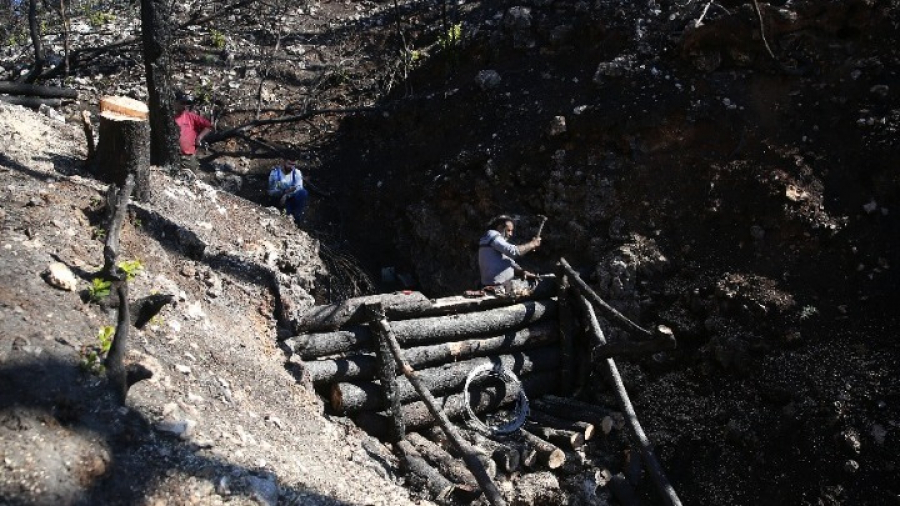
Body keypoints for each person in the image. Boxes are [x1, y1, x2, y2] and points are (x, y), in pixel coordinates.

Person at [478, 214, 541, 287]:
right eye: (508, 230)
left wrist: (521, 272)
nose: (511, 234)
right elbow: (513, 251)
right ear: (500, 227)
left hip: (501, 284)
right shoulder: (491, 234)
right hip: (499, 286)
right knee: (542, 284)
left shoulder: (496, 243)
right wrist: (532, 244)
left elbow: (507, 262)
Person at [174, 91, 213, 173]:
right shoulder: (168, 117)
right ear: (175, 102)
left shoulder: (191, 117)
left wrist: (199, 138)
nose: (185, 106)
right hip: (171, 156)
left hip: (188, 157)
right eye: (182, 103)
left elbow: (209, 126)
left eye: (187, 103)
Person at [268, 158, 309, 225]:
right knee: (286, 216)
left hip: (290, 197)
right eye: (289, 164)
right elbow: (271, 191)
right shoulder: (275, 173)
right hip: (279, 199)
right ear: (284, 162)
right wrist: (283, 192)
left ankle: (297, 218)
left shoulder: (297, 172)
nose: (291, 167)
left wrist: (287, 195)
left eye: (293, 164)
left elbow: (299, 188)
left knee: (303, 193)